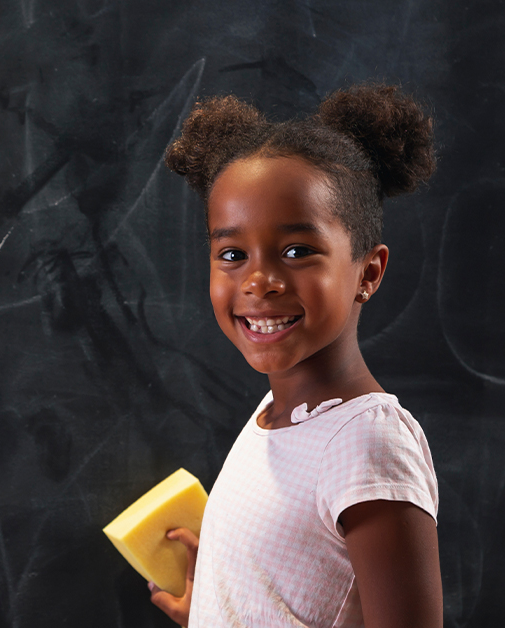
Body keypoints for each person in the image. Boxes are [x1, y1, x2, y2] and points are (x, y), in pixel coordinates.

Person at [148, 84, 442, 627]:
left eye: (297, 251)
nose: (259, 281)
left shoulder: (366, 442)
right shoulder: (273, 416)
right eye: (232, 254)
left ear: (367, 273)